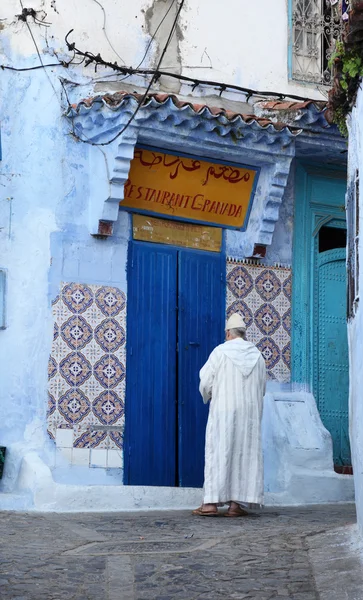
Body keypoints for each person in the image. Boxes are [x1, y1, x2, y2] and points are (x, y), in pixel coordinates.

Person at [192, 312, 266, 517]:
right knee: (244, 455)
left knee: (220, 452)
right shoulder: (258, 356)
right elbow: (262, 389)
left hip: (224, 412)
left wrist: (211, 394)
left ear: (228, 333)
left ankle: (210, 505)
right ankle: (235, 506)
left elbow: (206, 381)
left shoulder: (220, 352)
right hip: (249, 415)